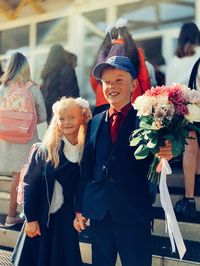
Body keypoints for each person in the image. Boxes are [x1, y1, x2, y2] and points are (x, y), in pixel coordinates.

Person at [74, 56, 172, 266]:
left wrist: (168, 153)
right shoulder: (95, 121)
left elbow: (163, 153)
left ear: (134, 84)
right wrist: (80, 207)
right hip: (100, 212)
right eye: (107, 81)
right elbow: (87, 168)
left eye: (119, 80)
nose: (112, 86)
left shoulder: (148, 120)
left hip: (133, 212)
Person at [12, 97, 92, 266]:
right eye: (61, 118)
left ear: (82, 118)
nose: (66, 122)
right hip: (42, 218)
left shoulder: (85, 149)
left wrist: (81, 211)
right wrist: (31, 218)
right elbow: (29, 183)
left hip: (66, 219)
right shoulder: (45, 149)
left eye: (72, 117)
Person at [0, 52, 47, 227]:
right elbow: (42, 115)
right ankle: (13, 215)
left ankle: (16, 214)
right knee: (25, 176)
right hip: (26, 138)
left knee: (16, 176)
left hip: (6, 137)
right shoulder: (31, 88)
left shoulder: (3, 88)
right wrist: (27, 121)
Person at [166, 22, 200, 219]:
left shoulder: (174, 59)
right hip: (197, 105)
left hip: (180, 107)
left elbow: (169, 86)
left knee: (189, 149)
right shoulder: (199, 54)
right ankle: (191, 192)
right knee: (195, 151)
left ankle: (188, 197)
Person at [90, 19, 153, 115]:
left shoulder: (102, 52)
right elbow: (144, 78)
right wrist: (145, 97)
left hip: (102, 102)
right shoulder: (135, 51)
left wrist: (104, 92)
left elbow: (94, 80)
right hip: (132, 101)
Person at [41, 44, 80, 124]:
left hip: (49, 113)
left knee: (54, 135)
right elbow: (69, 93)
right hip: (64, 112)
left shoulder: (47, 74)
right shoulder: (67, 70)